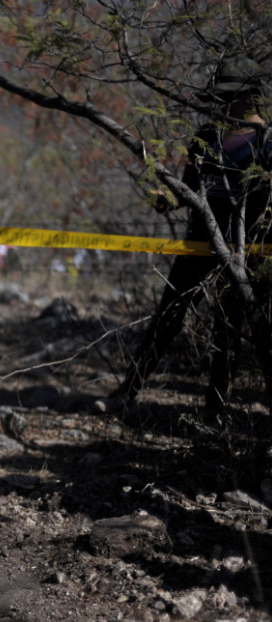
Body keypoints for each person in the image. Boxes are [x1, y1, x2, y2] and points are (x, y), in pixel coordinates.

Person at [110, 55, 272, 414]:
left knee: (227, 333)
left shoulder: (267, 142)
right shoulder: (205, 138)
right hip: (198, 245)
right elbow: (188, 191)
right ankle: (127, 392)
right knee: (167, 319)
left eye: (229, 96)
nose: (222, 104)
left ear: (251, 96)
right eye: (219, 96)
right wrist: (166, 199)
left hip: (245, 255)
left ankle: (216, 413)